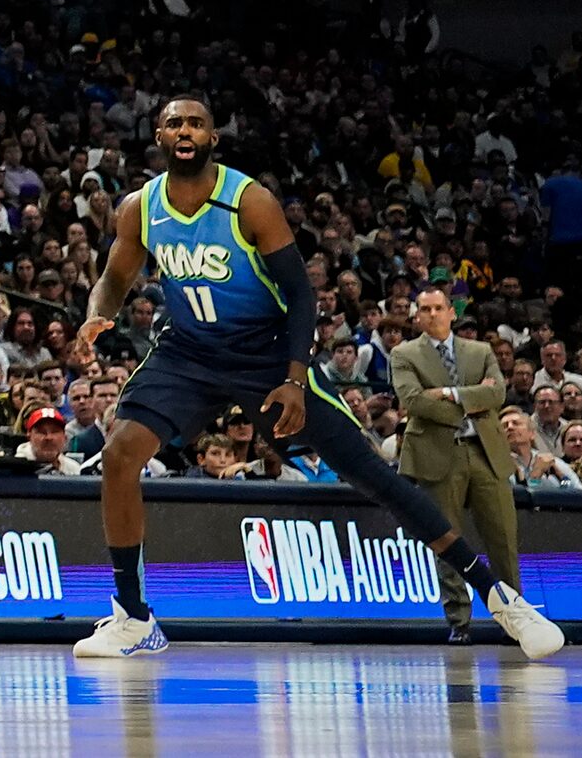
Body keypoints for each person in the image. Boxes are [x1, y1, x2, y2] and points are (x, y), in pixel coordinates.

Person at [71, 96, 561, 661]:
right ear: (159, 135)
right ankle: (133, 617)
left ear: (213, 138)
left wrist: (295, 379)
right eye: (175, 122)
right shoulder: (139, 206)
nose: (186, 130)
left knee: (374, 476)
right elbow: (113, 276)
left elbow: (301, 296)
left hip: (267, 350)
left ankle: (502, 600)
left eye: (197, 123)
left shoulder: (250, 202)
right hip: (189, 351)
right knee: (119, 454)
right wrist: (96, 312)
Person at [392, 288, 523, 642]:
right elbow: (414, 401)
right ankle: (459, 621)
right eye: (424, 309)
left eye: (438, 308)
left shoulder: (479, 351)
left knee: (503, 540)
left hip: (485, 452)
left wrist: (450, 394)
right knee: (447, 539)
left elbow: (497, 395)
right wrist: (471, 398)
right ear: (416, 316)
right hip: (437, 454)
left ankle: (515, 618)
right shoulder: (403, 354)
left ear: (451, 312)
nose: (431, 314)